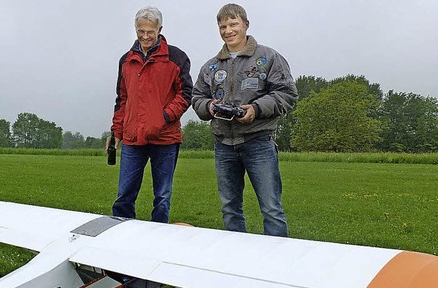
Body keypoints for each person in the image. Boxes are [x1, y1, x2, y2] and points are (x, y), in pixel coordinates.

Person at [192, 3, 298, 237]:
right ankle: (235, 261)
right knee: (230, 209)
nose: (227, 30)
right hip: (223, 145)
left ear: (245, 25)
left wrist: (255, 109)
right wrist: (209, 106)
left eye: (233, 24)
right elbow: (197, 97)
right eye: (222, 26)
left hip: (258, 141)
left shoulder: (269, 57)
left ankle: (278, 265)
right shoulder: (210, 66)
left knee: (271, 209)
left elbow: (287, 94)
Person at [107, 6, 193, 223]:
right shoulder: (126, 60)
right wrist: (117, 131)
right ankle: (122, 235)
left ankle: (159, 237)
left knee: (162, 196)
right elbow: (122, 99)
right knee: (124, 195)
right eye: (141, 31)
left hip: (165, 138)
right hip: (133, 138)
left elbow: (186, 95)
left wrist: (163, 117)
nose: (145, 36)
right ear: (135, 30)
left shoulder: (177, 57)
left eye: (150, 32)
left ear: (160, 30)